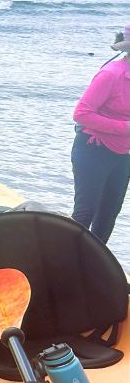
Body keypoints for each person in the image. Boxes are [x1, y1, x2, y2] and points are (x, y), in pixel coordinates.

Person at [71, 26, 130, 242]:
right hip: (92, 150)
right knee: (85, 214)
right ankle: (62, 264)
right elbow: (81, 113)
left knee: (107, 218)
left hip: (123, 155)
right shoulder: (111, 74)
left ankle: (91, 269)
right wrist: (124, 128)